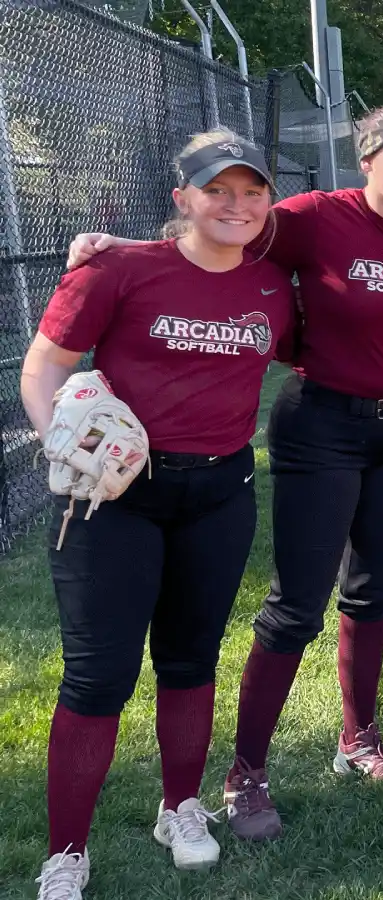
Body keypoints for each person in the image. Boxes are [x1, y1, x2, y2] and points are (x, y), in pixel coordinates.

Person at [65, 101, 383, 838]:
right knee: (297, 604)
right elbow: (221, 233)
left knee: (372, 591)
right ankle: (246, 771)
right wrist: (122, 245)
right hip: (323, 424)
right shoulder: (318, 215)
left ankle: (359, 741)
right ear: (369, 160)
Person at [27, 132, 293, 900]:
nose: (235, 205)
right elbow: (43, 366)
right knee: (98, 674)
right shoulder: (118, 269)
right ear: (183, 199)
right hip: (113, 497)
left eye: (251, 192)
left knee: (189, 659)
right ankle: (66, 852)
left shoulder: (275, 286)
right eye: (218, 190)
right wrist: (60, 444)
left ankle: (180, 806)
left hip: (218, 493)